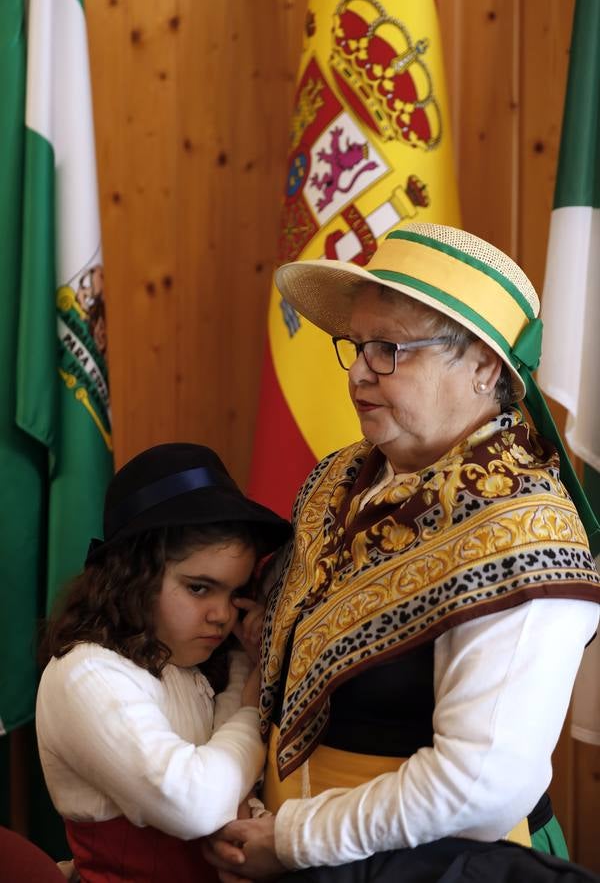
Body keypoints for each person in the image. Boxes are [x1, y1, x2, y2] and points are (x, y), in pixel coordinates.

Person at [204, 223, 600, 880]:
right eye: (356, 345)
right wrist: (237, 793)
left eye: (390, 348)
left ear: (483, 366)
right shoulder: (337, 480)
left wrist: (294, 838)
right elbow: (277, 668)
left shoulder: (522, 532)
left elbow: (480, 787)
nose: (359, 371)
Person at [35, 442, 291, 883]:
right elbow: (193, 804)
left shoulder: (187, 664)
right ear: (133, 575)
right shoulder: (87, 672)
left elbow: (223, 763)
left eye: (234, 593)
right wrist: (250, 708)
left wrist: (243, 671)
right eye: (198, 588)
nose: (221, 614)